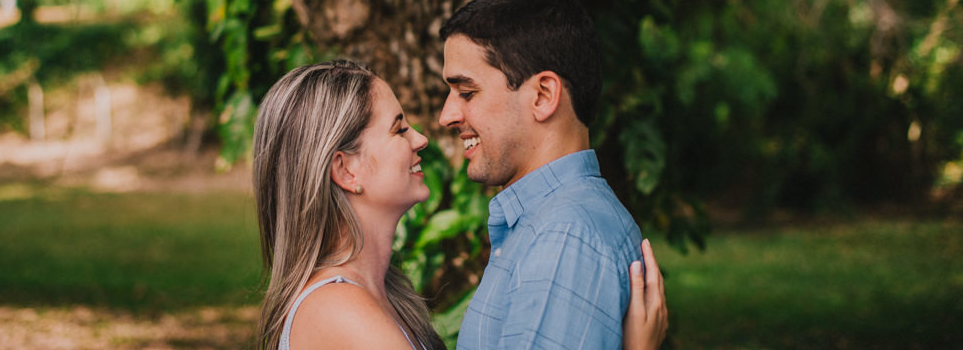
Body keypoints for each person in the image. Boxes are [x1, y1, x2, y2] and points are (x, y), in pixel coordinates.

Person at [252, 57, 667, 350]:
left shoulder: (378, 297)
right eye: (399, 130)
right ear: (347, 171)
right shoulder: (338, 312)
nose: (421, 139)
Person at [439, 0, 653, 350]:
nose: (446, 115)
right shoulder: (550, 225)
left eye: (467, 92)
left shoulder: (564, 239)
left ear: (542, 95)